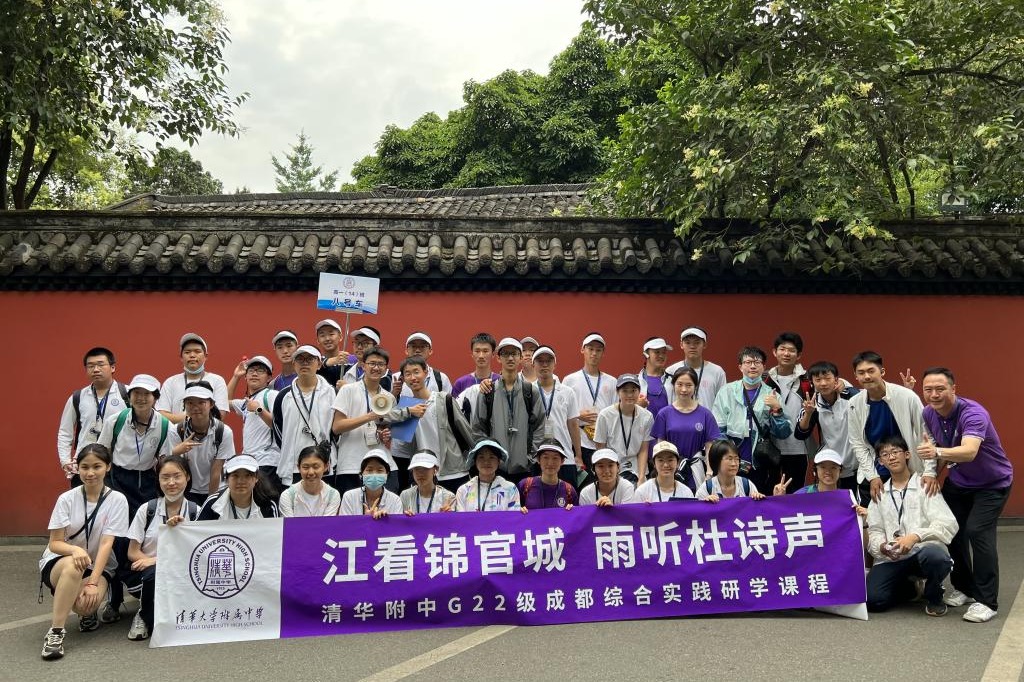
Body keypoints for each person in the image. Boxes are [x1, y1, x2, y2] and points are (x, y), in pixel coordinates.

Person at [918, 367, 1014, 623]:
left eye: (940, 389)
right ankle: (965, 588)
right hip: (960, 482)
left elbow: (969, 451)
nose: (934, 394)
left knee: (977, 531)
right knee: (951, 529)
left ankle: (987, 601)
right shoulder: (928, 412)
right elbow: (936, 446)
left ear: (953, 389)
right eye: (928, 389)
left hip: (993, 483)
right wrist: (932, 473)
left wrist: (936, 454)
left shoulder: (973, 413)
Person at [38, 444, 129, 660]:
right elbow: (55, 543)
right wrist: (75, 550)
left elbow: (106, 544)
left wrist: (92, 583)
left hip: (98, 565)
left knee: (85, 606)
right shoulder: (66, 499)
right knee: (73, 566)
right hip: (61, 561)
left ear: (108, 467)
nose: (90, 473)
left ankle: (82, 607)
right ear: (77, 468)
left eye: (97, 466)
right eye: (85, 467)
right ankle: (56, 633)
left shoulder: (117, 500)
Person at [865, 436, 957, 616]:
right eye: (885, 454)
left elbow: (948, 524)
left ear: (907, 455)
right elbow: (875, 530)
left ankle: (934, 594)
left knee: (936, 556)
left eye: (895, 452)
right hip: (892, 558)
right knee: (873, 600)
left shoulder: (925, 486)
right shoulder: (880, 493)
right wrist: (882, 546)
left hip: (921, 554)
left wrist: (915, 537)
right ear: (881, 462)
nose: (891, 457)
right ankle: (910, 587)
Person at [123, 455, 199, 642]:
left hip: (182, 572)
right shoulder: (146, 509)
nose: (171, 482)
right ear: (158, 480)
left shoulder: (195, 511)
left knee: (158, 570)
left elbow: (197, 554)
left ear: (187, 477)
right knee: (154, 574)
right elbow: (132, 552)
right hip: (147, 575)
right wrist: (154, 564)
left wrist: (156, 560)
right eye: (165, 477)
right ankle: (144, 616)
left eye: (177, 476)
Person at [848, 351, 935, 503]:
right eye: (861, 373)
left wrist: (929, 471)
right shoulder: (854, 403)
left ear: (882, 371)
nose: (866, 376)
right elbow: (858, 443)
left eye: (871, 371)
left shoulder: (907, 396)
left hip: (908, 469)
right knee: (870, 515)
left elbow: (927, 436)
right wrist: (872, 476)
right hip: (875, 471)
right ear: (855, 376)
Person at [711, 346, 791, 493]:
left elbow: (784, 433)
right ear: (740, 367)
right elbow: (718, 430)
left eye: (757, 362)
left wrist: (777, 410)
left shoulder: (772, 394)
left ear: (764, 367)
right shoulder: (726, 392)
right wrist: (730, 456)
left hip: (761, 463)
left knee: (759, 500)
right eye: (748, 362)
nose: (753, 366)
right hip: (731, 461)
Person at [391, 356, 473, 492]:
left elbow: (466, 432)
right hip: (425, 473)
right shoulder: (406, 407)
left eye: (416, 372)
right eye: (408, 374)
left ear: (426, 372)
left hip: (453, 471)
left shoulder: (444, 399)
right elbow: (402, 446)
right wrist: (394, 396)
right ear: (403, 379)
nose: (413, 377)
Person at [472, 337, 545, 484]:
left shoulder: (531, 391)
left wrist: (530, 457)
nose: (510, 358)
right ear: (498, 358)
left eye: (514, 354)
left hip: (525, 468)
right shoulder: (488, 392)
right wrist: (489, 457)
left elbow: (539, 426)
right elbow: (478, 428)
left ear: (520, 358)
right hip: (496, 468)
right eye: (505, 354)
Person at [96, 374, 172, 514]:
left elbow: (165, 459)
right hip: (116, 478)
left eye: (146, 394)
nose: (141, 398)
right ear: (129, 396)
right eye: (136, 393)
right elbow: (102, 451)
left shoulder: (165, 425)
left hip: (147, 481)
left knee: (144, 519)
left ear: (155, 398)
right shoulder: (116, 420)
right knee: (116, 518)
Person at [331, 346, 401, 494]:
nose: (376, 368)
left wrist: (384, 434)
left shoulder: (389, 397)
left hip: (383, 465)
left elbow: (386, 428)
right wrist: (368, 417)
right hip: (351, 464)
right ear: (363, 365)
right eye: (372, 363)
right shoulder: (348, 390)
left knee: (387, 506)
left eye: (380, 364)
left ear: (386, 368)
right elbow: (337, 427)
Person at [57, 347, 129, 485]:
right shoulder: (77, 397)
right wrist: (65, 460)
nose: (96, 369)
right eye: (90, 366)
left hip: (118, 467)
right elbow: (65, 432)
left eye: (101, 364)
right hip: (85, 466)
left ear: (112, 367)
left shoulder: (127, 393)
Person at [273, 345, 336, 488]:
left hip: (324, 465)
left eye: (310, 359)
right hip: (293, 466)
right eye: (300, 359)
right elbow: (278, 429)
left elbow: (336, 429)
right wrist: (289, 448)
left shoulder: (332, 393)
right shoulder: (283, 396)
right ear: (293, 364)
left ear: (319, 364)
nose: (304, 363)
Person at [794, 361, 860, 497]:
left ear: (836, 379)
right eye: (818, 380)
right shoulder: (812, 403)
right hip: (830, 463)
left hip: (856, 464)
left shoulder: (852, 396)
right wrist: (808, 413)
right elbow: (800, 434)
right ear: (812, 383)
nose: (823, 383)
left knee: (854, 503)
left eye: (827, 378)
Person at [650, 366, 721, 491]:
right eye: (680, 384)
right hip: (671, 470)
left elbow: (710, 447)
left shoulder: (705, 414)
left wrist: (709, 472)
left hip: (696, 470)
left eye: (689, 385)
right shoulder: (664, 414)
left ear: (695, 387)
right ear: (673, 385)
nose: (684, 389)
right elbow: (660, 447)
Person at [167, 382, 235, 504]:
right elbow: (168, 464)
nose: (195, 407)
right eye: (190, 403)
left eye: (201, 402)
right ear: (184, 405)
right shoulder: (177, 431)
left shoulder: (223, 431)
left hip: (215, 490)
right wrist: (177, 451)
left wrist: (210, 503)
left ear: (211, 404)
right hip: (185, 489)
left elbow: (216, 471)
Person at [766, 332, 814, 493]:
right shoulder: (765, 379)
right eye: (782, 349)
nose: (786, 353)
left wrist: (842, 383)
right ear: (774, 352)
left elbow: (830, 382)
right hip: (770, 447)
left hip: (798, 448)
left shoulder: (807, 380)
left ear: (798, 355)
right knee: (769, 493)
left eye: (792, 350)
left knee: (794, 494)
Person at [562, 333, 617, 470]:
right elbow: (562, 413)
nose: (594, 353)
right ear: (582, 350)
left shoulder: (612, 382)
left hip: (604, 442)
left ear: (603, 353)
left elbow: (616, 413)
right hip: (579, 442)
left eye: (598, 350)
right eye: (590, 349)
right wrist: (577, 415)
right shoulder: (570, 380)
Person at [533, 345, 584, 486]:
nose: (544, 364)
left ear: (555, 364)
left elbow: (573, 425)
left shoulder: (568, 392)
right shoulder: (528, 391)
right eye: (540, 361)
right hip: (537, 457)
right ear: (533, 364)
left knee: (567, 497)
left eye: (548, 361)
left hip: (565, 457)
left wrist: (578, 455)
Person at [227, 355, 281, 490]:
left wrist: (259, 410)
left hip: (268, 462)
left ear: (269, 378)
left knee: (265, 500)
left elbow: (279, 426)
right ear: (246, 376)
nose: (255, 374)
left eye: (260, 370)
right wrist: (236, 376)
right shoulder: (245, 403)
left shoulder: (272, 395)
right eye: (251, 370)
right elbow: (224, 403)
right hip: (249, 462)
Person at [156, 333, 229, 424]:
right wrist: (193, 417)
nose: (192, 355)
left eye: (197, 351)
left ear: (206, 356)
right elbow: (162, 415)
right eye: (187, 352)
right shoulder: (170, 382)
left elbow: (220, 415)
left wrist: (186, 417)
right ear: (181, 357)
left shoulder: (217, 381)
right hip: (175, 433)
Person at [594, 374, 653, 484]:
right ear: (618, 392)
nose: (629, 395)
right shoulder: (605, 415)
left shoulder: (647, 416)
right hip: (612, 469)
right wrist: (608, 473)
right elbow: (600, 449)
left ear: (639, 392)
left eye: (633, 390)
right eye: (625, 391)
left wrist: (641, 478)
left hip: (637, 469)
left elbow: (643, 449)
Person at [198, 454, 280, 520]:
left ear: (256, 478)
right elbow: (198, 531)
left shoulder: (268, 505)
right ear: (226, 479)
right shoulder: (213, 503)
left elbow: (276, 533)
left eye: (247, 475)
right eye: (235, 476)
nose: (241, 481)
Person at [666, 326, 727, 409]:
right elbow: (668, 400)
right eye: (687, 343)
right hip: (678, 416)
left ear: (704, 345)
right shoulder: (671, 371)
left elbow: (723, 402)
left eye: (697, 343)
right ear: (681, 345)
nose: (692, 346)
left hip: (707, 417)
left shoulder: (717, 372)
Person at [454, 439, 521, 511]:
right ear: (475, 461)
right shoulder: (463, 490)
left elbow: (514, 516)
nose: (486, 462)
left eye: (491, 457)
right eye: (481, 457)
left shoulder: (510, 489)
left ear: (498, 461)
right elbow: (460, 517)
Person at [278, 445, 342, 517]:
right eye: (305, 467)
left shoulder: (333, 495)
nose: (311, 472)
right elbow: (290, 524)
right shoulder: (288, 496)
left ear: (326, 466)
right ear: (298, 467)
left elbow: (327, 523)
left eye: (316, 467)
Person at [696, 439, 765, 501]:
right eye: (730, 459)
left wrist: (758, 499)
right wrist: (705, 505)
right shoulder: (706, 489)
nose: (734, 464)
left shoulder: (747, 486)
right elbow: (696, 510)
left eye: (737, 459)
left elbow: (758, 510)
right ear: (716, 461)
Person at [340, 450, 404, 517]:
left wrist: (383, 520)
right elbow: (344, 523)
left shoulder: (395, 500)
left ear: (387, 474)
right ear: (361, 474)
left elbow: (396, 523)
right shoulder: (349, 497)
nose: (374, 474)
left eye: (380, 470)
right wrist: (367, 519)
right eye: (369, 470)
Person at [518, 441, 577, 510]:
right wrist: (518, 511)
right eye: (545, 457)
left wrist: (573, 511)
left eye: (555, 458)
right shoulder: (525, 485)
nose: (550, 463)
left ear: (562, 461)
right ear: (538, 459)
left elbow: (578, 515)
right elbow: (512, 511)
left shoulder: (569, 491)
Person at [393, 331, 452, 397]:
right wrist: (393, 394)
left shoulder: (441, 378)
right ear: (406, 351)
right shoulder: (395, 378)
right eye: (413, 346)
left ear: (430, 351)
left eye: (422, 346)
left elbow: (448, 402)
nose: (417, 350)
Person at [400, 450, 457, 515]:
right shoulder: (405, 495)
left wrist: (448, 515)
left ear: (436, 470)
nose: (420, 473)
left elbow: (454, 520)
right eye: (416, 469)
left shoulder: (448, 497)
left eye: (425, 468)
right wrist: (406, 518)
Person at [452, 332, 499, 398]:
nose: (481, 356)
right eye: (477, 351)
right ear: (472, 354)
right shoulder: (460, 383)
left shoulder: (500, 381)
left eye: (485, 351)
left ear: (493, 354)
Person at [637, 337, 673, 418]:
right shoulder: (635, 381)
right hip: (644, 426)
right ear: (646, 354)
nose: (661, 356)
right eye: (657, 352)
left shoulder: (673, 380)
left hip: (667, 425)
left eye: (664, 352)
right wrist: (635, 405)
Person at [315, 318, 348, 388]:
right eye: (322, 335)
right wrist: (333, 360)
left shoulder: (351, 361)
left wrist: (348, 387)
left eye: (331, 334)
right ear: (318, 340)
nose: (327, 339)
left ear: (340, 337)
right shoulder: (314, 362)